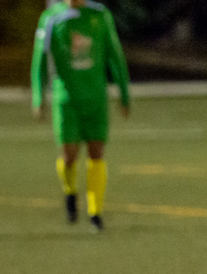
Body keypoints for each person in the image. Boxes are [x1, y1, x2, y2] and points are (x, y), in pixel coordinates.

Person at [31, 0, 130, 231]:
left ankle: (95, 213)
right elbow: (39, 60)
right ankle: (70, 193)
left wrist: (124, 93)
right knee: (69, 155)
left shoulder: (101, 15)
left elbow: (115, 54)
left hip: (96, 99)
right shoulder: (51, 18)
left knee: (97, 152)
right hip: (66, 100)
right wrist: (38, 96)